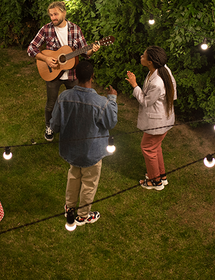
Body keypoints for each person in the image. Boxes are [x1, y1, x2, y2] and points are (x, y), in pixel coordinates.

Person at [50, 60, 118, 225]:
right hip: (92, 153)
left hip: (71, 150)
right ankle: (82, 215)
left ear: (75, 76)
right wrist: (112, 99)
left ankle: (70, 208)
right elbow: (111, 123)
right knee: (89, 183)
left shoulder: (64, 97)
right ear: (92, 77)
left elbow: (54, 125)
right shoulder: (101, 103)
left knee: (73, 176)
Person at [27, 1, 99, 142]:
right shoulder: (46, 29)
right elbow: (31, 48)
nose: (53, 17)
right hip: (53, 73)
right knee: (51, 104)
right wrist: (46, 59)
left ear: (64, 13)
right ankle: (50, 126)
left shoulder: (75, 29)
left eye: (56, 14)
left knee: (77, 102)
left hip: (72, 75)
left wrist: (92, 49)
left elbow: (85, 52)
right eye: (51, 15)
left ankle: (74, 127)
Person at [126, 46, 177, 191]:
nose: (141, 56)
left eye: (144, 56)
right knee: (155, 147)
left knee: (147, 148)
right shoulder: (163, 70)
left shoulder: (157, 82)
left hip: (157, 123)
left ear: (150, 62)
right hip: (164, 119)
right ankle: (161, 176)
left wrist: (134, 85)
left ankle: (155, 182)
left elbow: (145, 102)